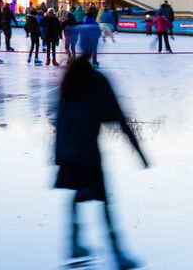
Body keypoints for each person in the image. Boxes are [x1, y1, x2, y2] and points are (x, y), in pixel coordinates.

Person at [54, 52, 148, 268]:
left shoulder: (70, 81)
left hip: (68, 151)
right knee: (104, 200)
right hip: (87, 151)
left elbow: (60, 118)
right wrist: (139, 153)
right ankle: (117, 252)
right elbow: (119, 117)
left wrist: (59, 156)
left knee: (79, 194)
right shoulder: (98, 81)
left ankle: (74, 244)